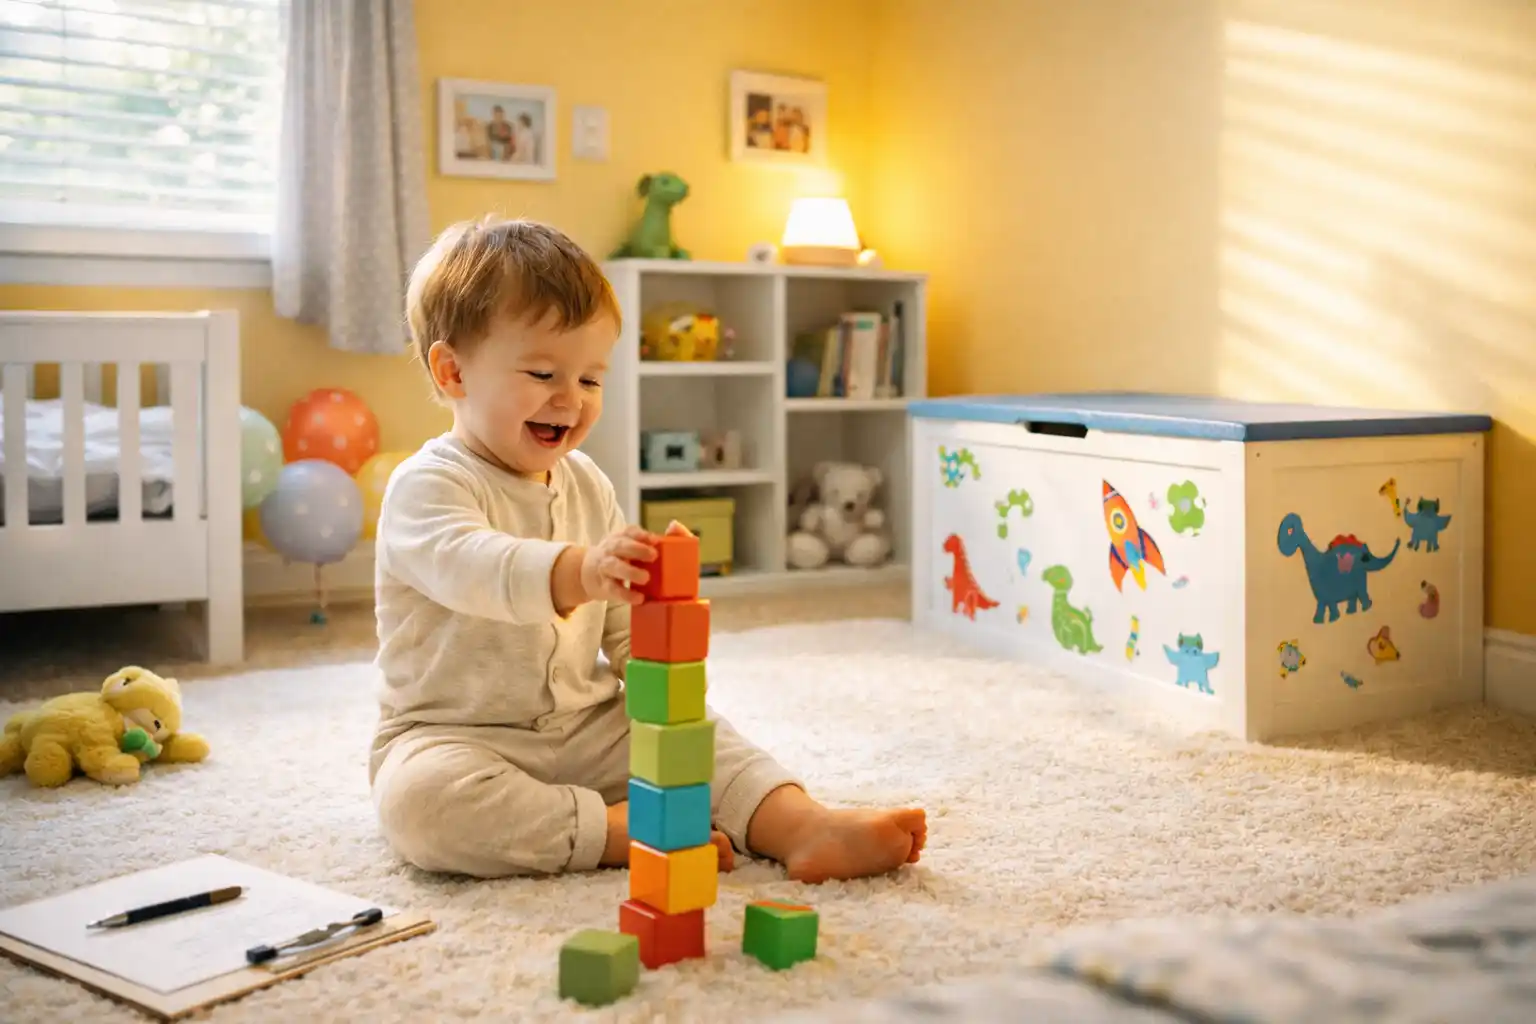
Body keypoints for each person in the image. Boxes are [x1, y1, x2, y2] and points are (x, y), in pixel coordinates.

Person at [368, 216, 928, 881]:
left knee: (701, 743)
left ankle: (802, 825)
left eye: (591, 380)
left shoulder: (586, 483)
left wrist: (658, 674)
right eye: (544, 371)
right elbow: (473, 566)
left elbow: (621, 620)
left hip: (588, 725)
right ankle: (611, 830)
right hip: (456, 736)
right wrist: (580, 570)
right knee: (422, 807)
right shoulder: (426, 487)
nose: (569, 400)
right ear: (452, 370)